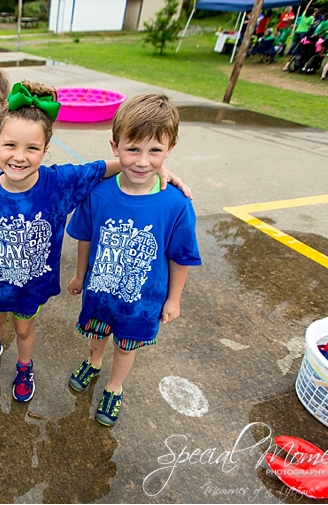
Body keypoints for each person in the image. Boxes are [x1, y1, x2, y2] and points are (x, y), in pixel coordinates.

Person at [0, 81, 190, 403]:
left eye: (32, 148)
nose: (20, 157)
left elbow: (103, 167)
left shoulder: (59, 184)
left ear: (45, 149)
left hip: (31, 289)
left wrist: (155, 167)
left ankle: (25, 366)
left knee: (24, 330)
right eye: (10, 145)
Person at [65, 93, 201, 426]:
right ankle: (93, 363)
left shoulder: (176, 204)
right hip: (99, 293)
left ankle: (115, 386)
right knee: (96, 335)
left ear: (170, 149)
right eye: (133, 149)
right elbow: (84, 237)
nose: (142, 161)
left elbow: (180, 256)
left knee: (126, 347)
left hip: (141, 302)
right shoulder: (98, 193)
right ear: (115, 146)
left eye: (155, 150)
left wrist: (174, 299)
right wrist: (80, 275)